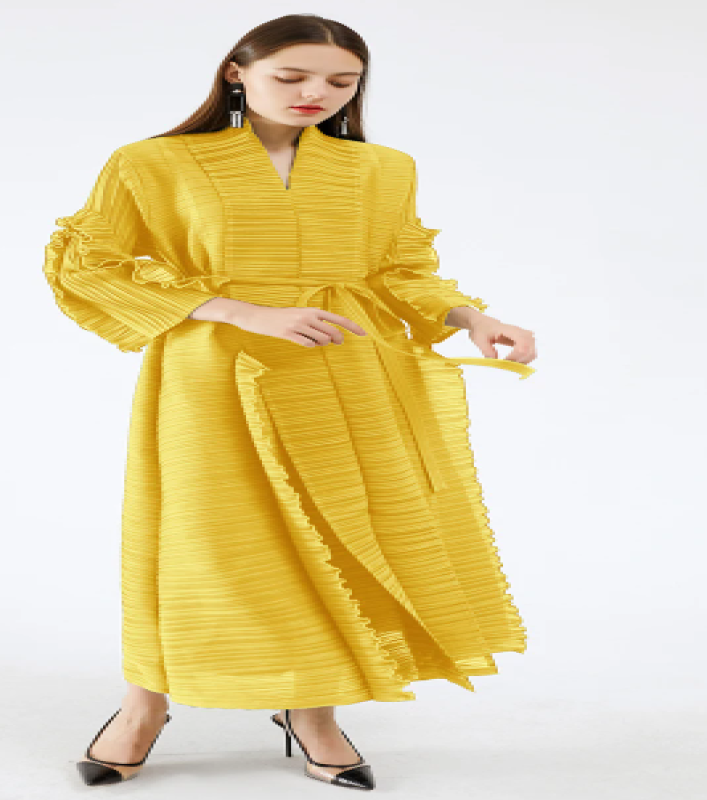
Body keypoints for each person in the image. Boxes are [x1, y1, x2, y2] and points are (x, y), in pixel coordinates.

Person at [43, 14, 537, 791]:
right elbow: (89, 264)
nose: (317, 93)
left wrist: (470, 317)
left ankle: (312, 712)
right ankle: (146, 703)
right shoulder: (151, 163)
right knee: (199, 538)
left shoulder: (382, 169)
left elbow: (401, 269)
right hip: (212, 371)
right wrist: (241, 310)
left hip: (343, 367)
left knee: (332, 539)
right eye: (293, 76)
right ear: (236, 72)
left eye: (342, 82)